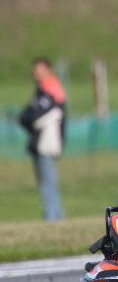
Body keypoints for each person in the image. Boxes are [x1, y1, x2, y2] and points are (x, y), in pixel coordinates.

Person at [19, 57, 67, 221]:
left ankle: (52, 216)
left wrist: (26, 117)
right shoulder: (42, 89)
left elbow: (32, 116)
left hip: (46, 143)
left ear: (48, 70)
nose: (36, 73)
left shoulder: (51, 89)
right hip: (40, 141)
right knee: (46, 181)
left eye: (40, 70)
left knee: (47, 182)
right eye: (35, 70)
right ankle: (55, 215)